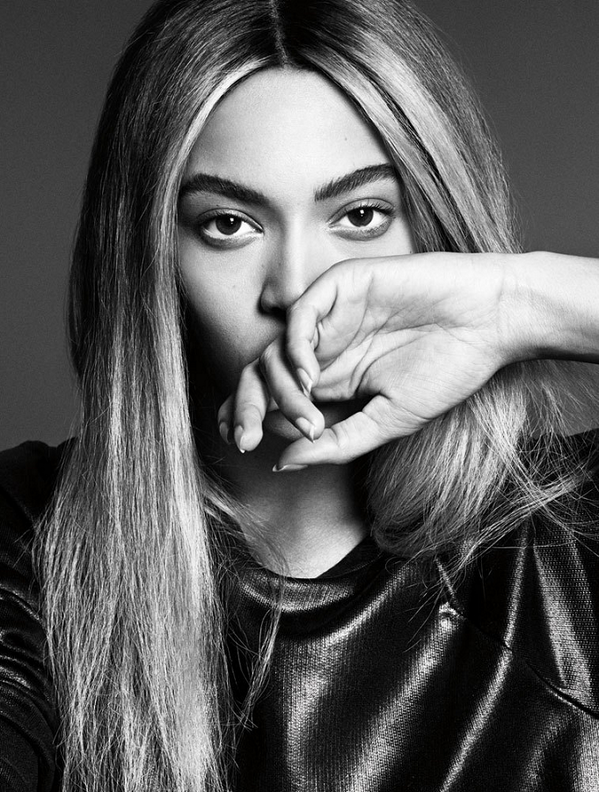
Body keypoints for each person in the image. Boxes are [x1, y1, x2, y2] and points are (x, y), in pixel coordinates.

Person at [0, 0, 598, 790]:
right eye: (227, 225)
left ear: (434, 230)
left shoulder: (574, 532)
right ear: (150, 258)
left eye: (360, 215)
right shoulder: (30, 537)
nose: (295, 289)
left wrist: (521, 301)